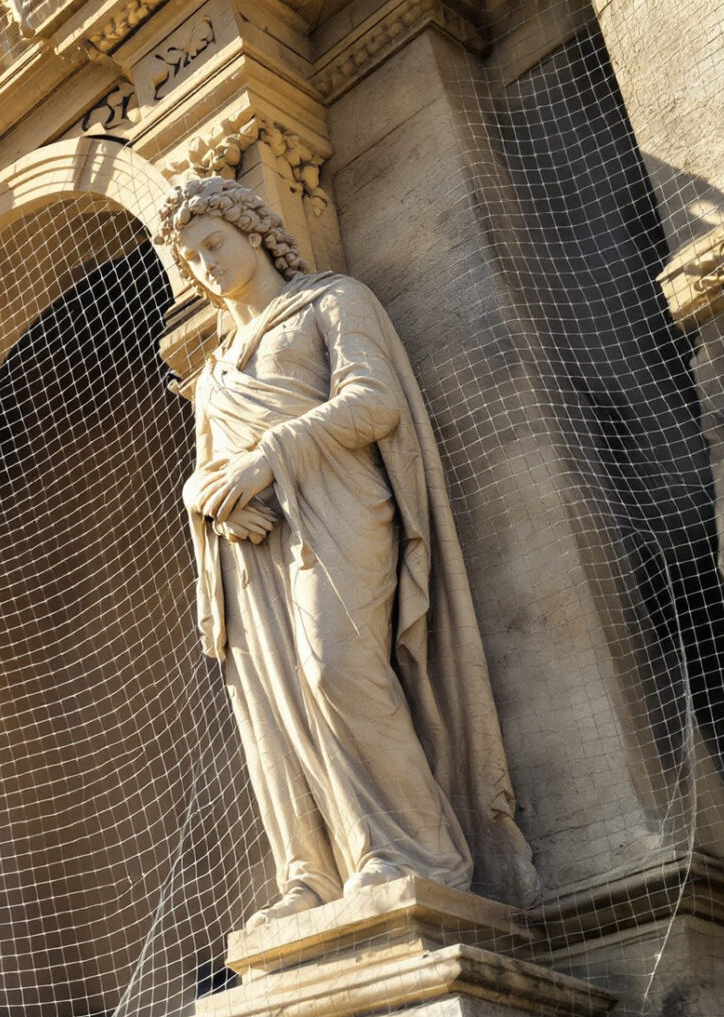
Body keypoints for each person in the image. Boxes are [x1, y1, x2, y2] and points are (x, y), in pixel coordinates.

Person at [160, 176, 533, 929]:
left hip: (338, 509)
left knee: (338, 668)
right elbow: (202, 476)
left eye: (214, 244)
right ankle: (316, 867)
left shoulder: (331, 301)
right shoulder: (214, 372)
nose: (205, 265)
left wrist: (266, 460)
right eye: (191, 258)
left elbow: (375, 402)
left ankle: (422, 852)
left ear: (254, 234)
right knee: (274, 704)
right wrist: (219, 507)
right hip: (253, 548)